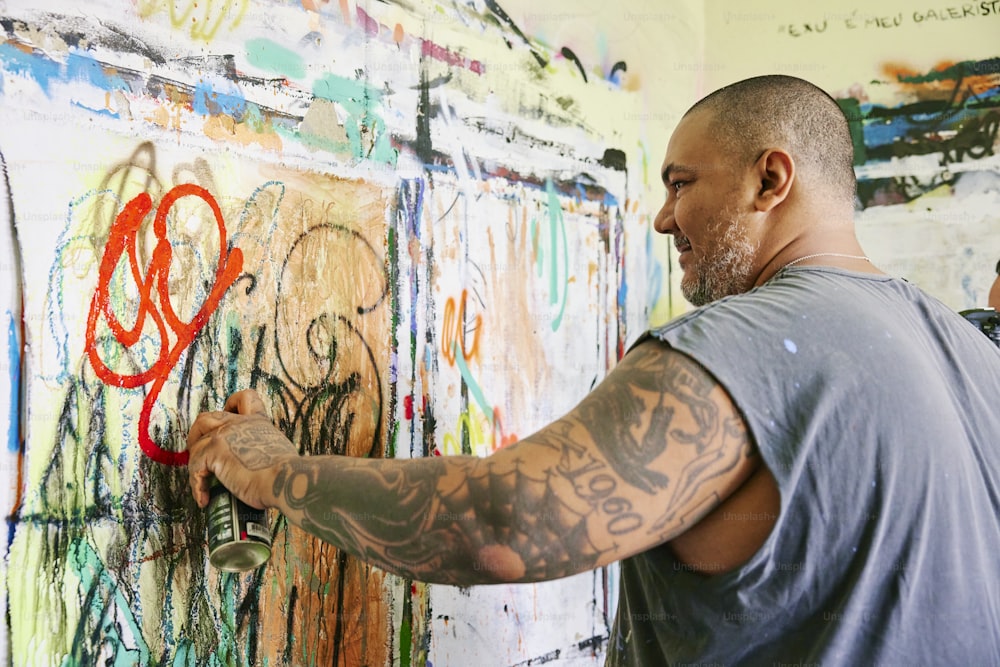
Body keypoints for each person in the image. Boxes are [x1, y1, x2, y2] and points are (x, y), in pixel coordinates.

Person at [187, 75, 1000, 665]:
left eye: (681, 184)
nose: (662, 216)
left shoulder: (740, 344)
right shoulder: (972, 355)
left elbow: (504, 528)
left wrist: (277, 470)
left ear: (770, 177)